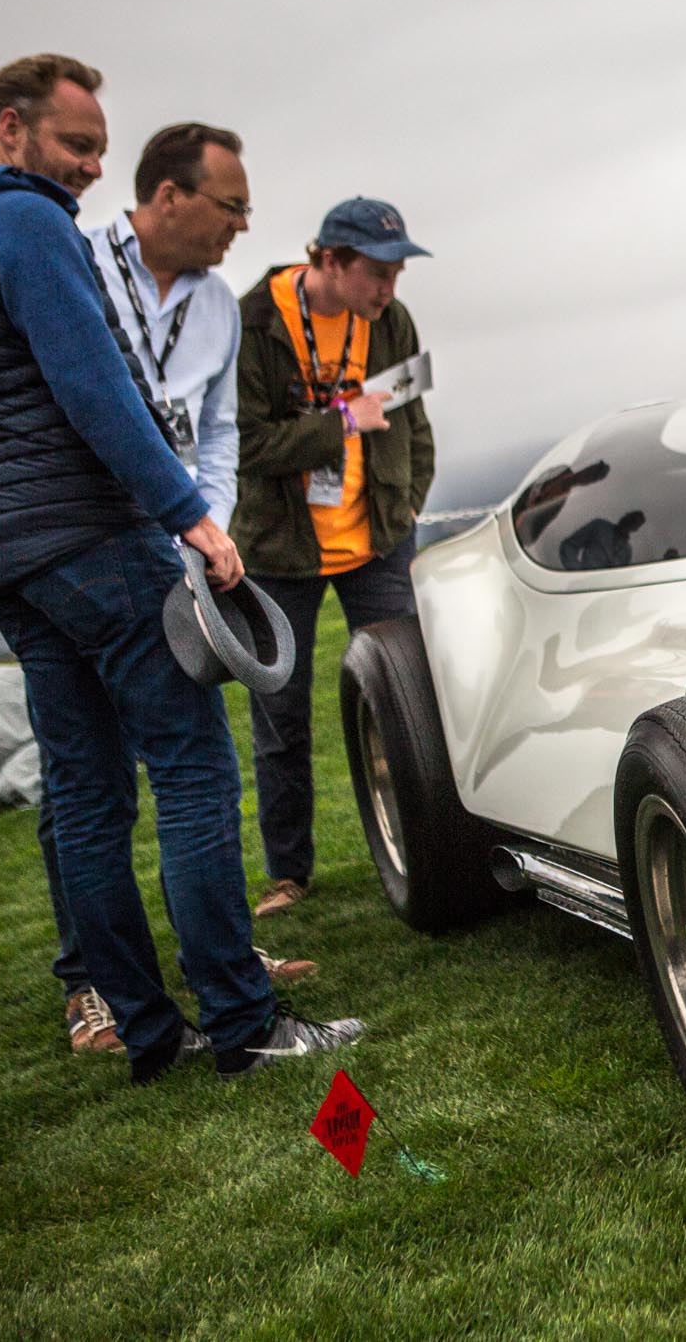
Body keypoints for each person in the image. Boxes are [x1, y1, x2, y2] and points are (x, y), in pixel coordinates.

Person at [0, 53, 361, 1081]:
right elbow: (92, 385)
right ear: (9, 131)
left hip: (13, 560)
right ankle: (243, 1021)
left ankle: (149, 1034)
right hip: (95, 540)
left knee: (88, 794)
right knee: (194, 770)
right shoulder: (18, 219)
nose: (92, 170)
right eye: (77, 145)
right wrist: (190, 514)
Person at [231, 198, 435, 918]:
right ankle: (289, 874)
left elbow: (413, 419)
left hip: (378, 540)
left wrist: (408, 501)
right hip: (279, 550)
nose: (388, 288)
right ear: (329, 260)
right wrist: (340, 422)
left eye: (397, 272)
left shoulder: (392, 323)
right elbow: (249, 446)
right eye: (376, 272)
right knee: (280, 714)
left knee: (409, 704)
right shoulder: (254, 322)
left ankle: (431, 843)